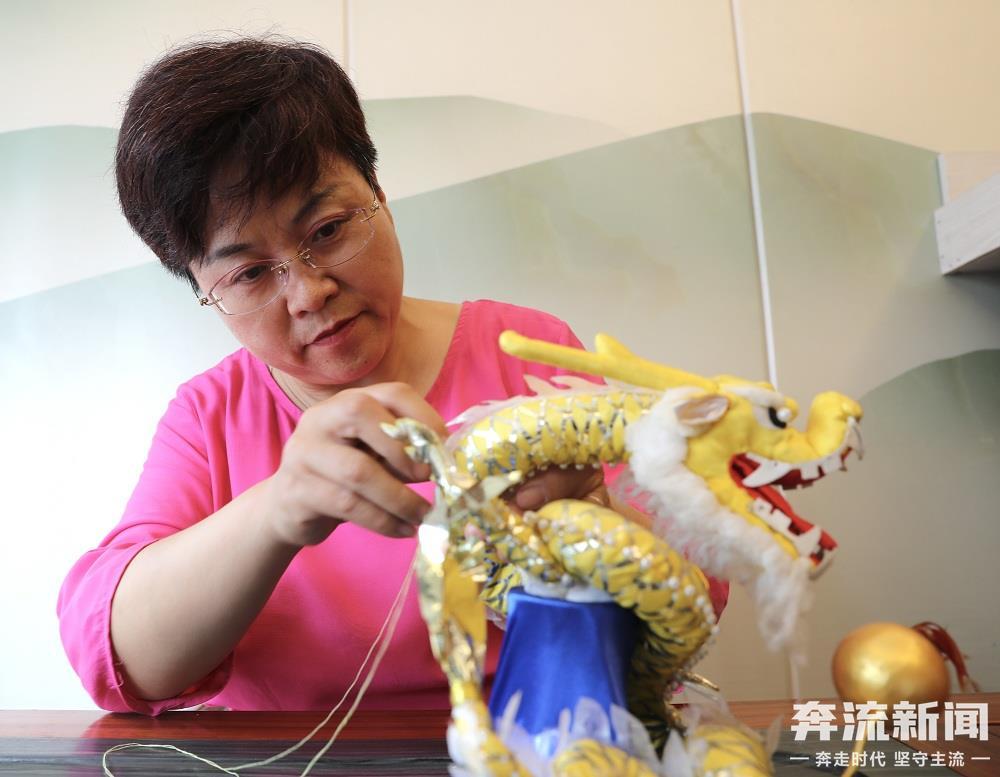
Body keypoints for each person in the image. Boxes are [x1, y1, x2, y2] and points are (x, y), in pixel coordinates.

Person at [57, 38, 727, 716]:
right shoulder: (211, 418)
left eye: (327, 230)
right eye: (250, 273)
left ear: (379, 195)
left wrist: (598, 517)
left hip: (543, 745)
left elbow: (696, 585)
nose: (309, 293)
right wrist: (280, 506)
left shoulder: (526, 352)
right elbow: (117, 659)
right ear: (203, 289)